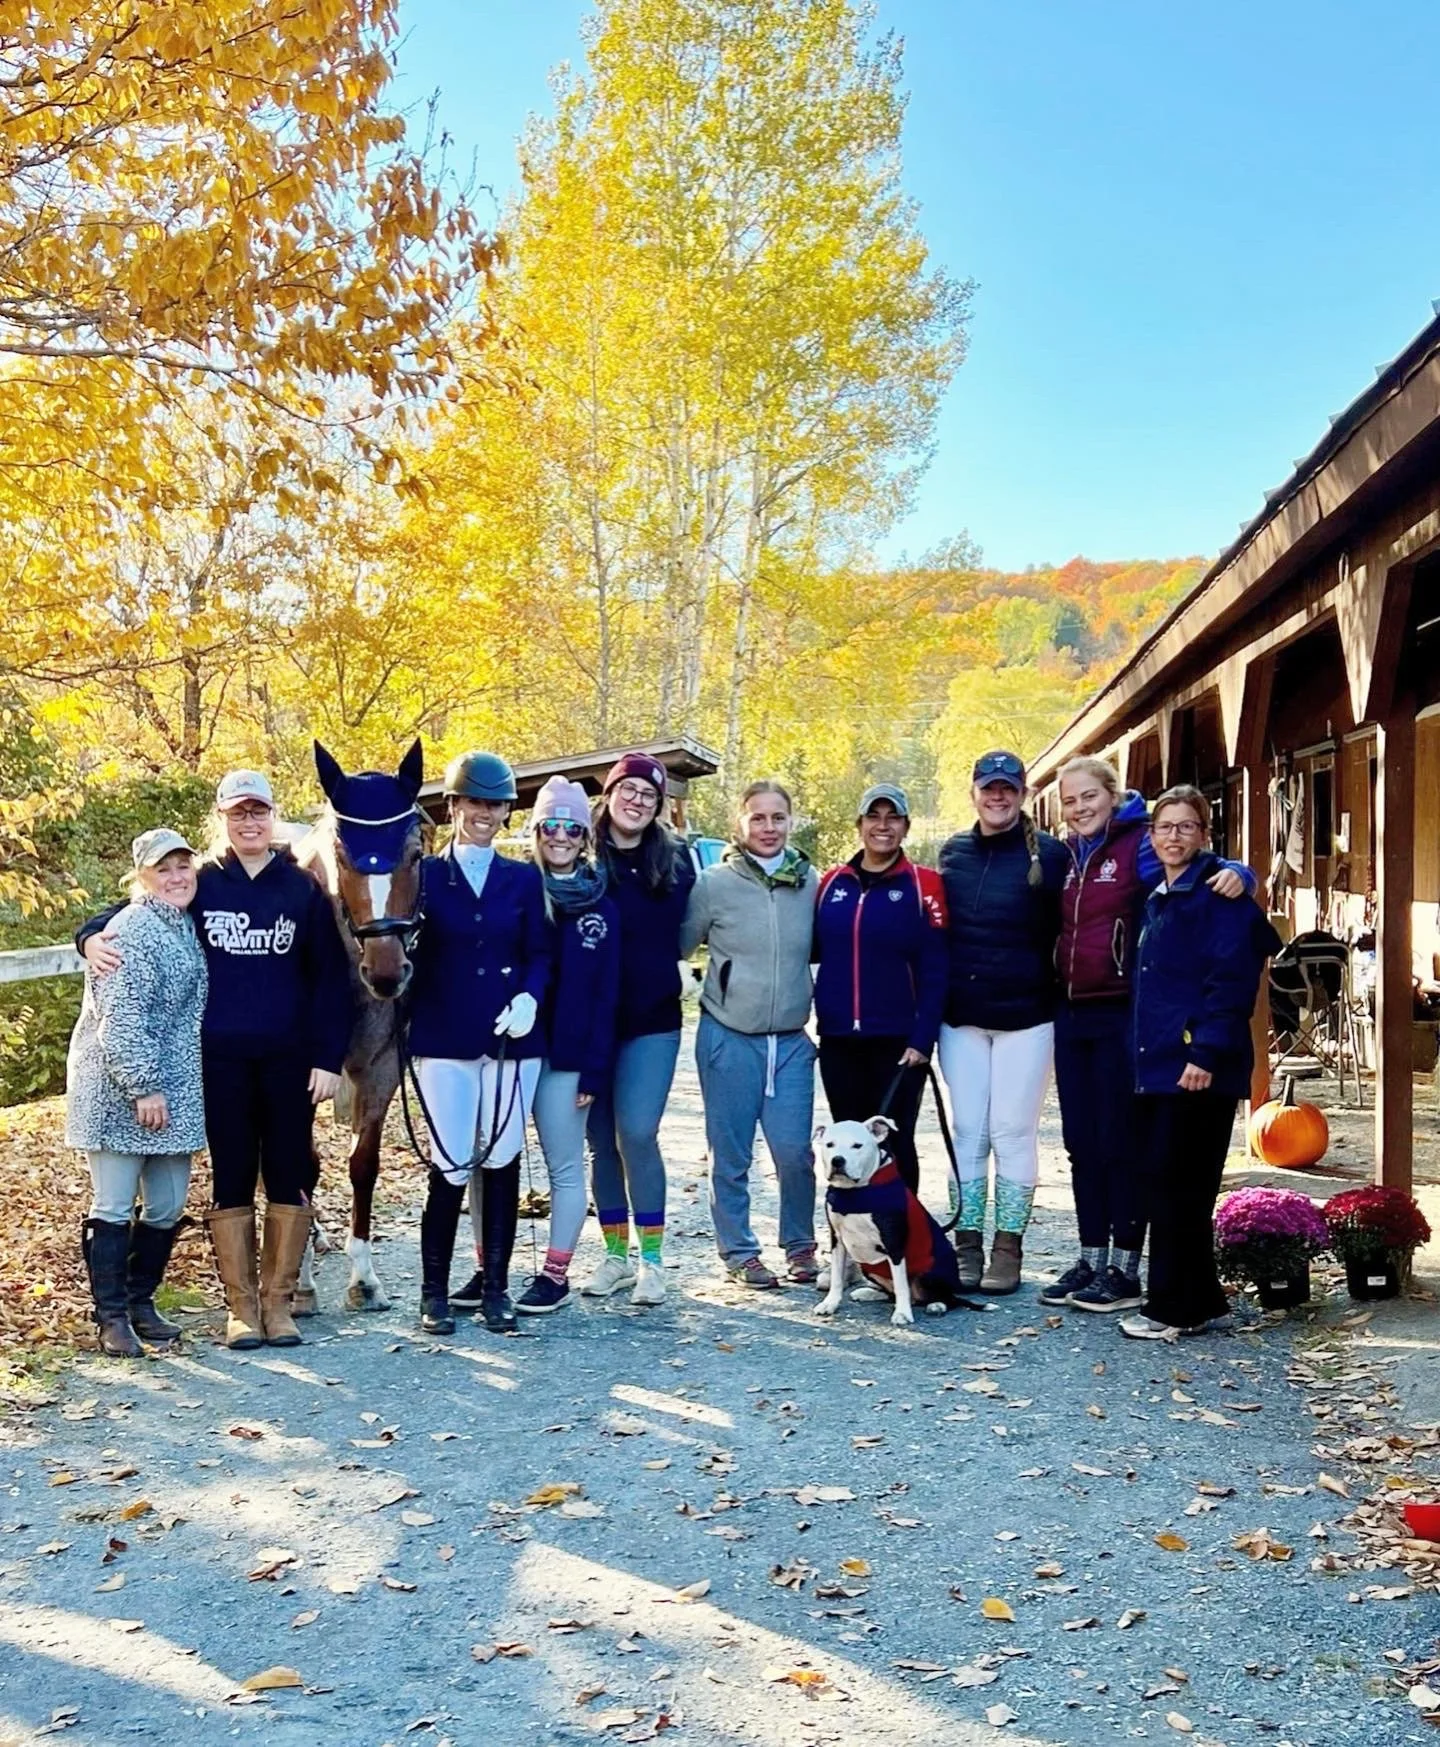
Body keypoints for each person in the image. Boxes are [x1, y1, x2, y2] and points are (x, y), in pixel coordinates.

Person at [77, 771, 353, 1350]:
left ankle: (279, 1303)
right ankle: (241, 1307)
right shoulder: (201, 881)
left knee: (289, 1173)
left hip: (289, 1061)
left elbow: (331, 979)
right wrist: (88, 936)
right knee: (232, 1177)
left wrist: (329, 1057)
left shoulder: (302, 889)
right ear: (222, 819)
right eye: (237, 813)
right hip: (218, 1063)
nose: (249, 822)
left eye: (258, 812)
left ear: (272, 816)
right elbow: (135, 908)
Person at [1047, 757, 1254, 1313]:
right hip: (1072, 1012)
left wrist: (1241, 871)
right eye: (1070, 800)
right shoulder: (1062, 856)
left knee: (1122, 1143)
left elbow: (1191, 858)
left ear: (1113, 797)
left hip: (1123, 1014)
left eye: (1090, 796)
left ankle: (1125, 1267)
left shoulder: (1137, 845)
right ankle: (1091, 1257)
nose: (1081, 807)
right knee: (1081, 1142)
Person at [1120, 785, 1282, 1340]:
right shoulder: (1162, 892)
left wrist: (1205, 1052)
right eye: (1165, 826)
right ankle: (1203, 1300)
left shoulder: (1219, 897)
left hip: (1197, 1067)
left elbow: (1231, 982)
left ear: (1205, 835)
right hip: (1162, 1064)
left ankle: (1171, 1310)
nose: (1174, 836)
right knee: (1177, 1185)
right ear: (1152, 835)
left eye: (1187, 826)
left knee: (1178, 1188)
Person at [409, 752, 552, 1336]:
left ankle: (496, 1288)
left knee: (501, 1160)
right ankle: (433, 1292)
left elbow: (540, 953)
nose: (485, 814)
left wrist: (530, 998)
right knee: (449, 1164)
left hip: (510, 1037)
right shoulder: (424, 875)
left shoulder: (523, 879)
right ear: (454, 805)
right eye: (475, 802)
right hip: (444, 1036)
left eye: (495, 805)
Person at [65, 829, 208, 1357]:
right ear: (141, 877)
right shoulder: (129, 929)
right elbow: (121, 1020)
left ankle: (141, 1301)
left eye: (182, 866)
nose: (176, 877)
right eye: (162, 869)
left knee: (167, 1205)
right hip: (118, 1089)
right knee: (114, 1203)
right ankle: (112, 1317)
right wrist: (143, 1087)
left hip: (175, 1089)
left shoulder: (184, 924)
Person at [936, 750, 1068, 1296]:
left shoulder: (1053, 856)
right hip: (962, 1019)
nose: (997, 796)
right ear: (974, 793)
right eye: (988, 787)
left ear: (1023, 794)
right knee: (969, 1131)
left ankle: (1007, 1248)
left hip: (1027, 1018)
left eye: (1007, 788)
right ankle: (966, 1244)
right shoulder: (953, 853)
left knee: (1012, 1131)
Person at [682, 781, 820, 1288]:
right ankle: (740, 1252)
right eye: (757, 817)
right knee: (731, 1155)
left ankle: (801, 1246)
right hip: (729, 1036)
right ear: (739, 822)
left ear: (791, 821)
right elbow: (679, 944)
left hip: (790, 1042)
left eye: (778, 817)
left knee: (795, 1153)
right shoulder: (713, 884)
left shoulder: (810, 881)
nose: (768, 827)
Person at [582, 753, 696, 1304]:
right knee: (600, 1142)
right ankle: (616, 1256)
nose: (637, 801)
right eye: (628, 790)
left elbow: (698, 930)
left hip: (651, 1020)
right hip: (589, 1023)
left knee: (637, 1133)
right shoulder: (580, 855)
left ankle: (652, 1261)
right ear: (609, 795)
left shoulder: (676, 862)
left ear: (659, 806)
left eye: (649, 795)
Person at [511, 776, 620, 1315]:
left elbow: (607, 996)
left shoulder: (602, 905)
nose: (560, 836)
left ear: (585, 837)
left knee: (564, 1167)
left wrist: (594, 1070)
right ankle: (488, 1268)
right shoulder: (514, 890)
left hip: (567, 1059)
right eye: (550, 825)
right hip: (512, 1052)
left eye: (572, 828)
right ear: (535, 831)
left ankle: (555, 1274)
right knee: (493, 1162)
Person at [813, 783, 948, 1193]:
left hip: (898, 1043)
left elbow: (937, 968)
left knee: (895, 1143)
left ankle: (902, 1231)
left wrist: (923, 1039)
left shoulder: (924, 885)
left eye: (893, 818)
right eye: (874, 816)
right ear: (860, 824)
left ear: (906, 826)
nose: (883, 826)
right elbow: (811, 953)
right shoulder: (831, 883)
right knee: (847, 1148)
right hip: (839, 1041)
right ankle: (851, 1233)